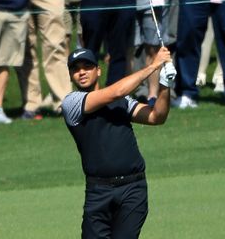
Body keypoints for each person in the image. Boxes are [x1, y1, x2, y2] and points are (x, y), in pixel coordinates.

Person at [61, 46, 175, 239]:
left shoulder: (123, 102)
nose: (81, 72)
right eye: (76, 69)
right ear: (71, 76)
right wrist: (153, 66)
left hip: (133, 189)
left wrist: (165, 85)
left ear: (98, 70)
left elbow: (156, 117)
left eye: (87, 67)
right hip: (98, 192)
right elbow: (116, 92)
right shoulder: (71, 103)